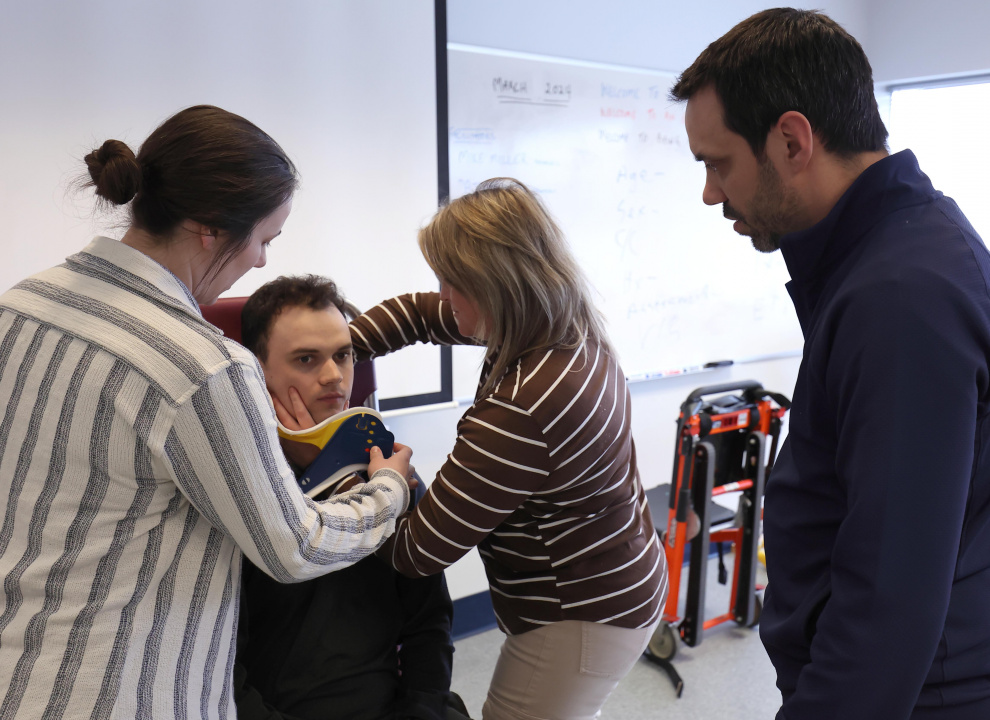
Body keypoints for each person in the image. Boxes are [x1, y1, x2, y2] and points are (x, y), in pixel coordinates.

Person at [0, 105, 412, 720]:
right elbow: (293, 547)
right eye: (264, 239)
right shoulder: (205, 366)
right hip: (123, 690)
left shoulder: (20, 306)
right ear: (211, 230)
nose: (264, 261)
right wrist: (387, 490)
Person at [671, 8, 990, 719]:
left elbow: (889, 606)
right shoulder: (890, 254)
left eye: (718, 163)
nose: (710, 193)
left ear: (791, 140)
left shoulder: (902, 297)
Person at [343, 178, 667, 720]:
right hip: (620, 575)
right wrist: (339, 348)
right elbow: (421, 313)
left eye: (452, 281)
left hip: (581, 613)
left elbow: (416, 552)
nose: (442, 293)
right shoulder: (558, 325)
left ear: (495, 284)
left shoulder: (526, 405)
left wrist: (381, 484)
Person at [233, 274, 465, 720]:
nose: (334, 377)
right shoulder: (234, 494)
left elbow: (429, 625)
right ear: (254, 372)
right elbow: (224, 670)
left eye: (344, 355)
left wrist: (418, 711)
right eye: (306, 359)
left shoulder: (393, 478)